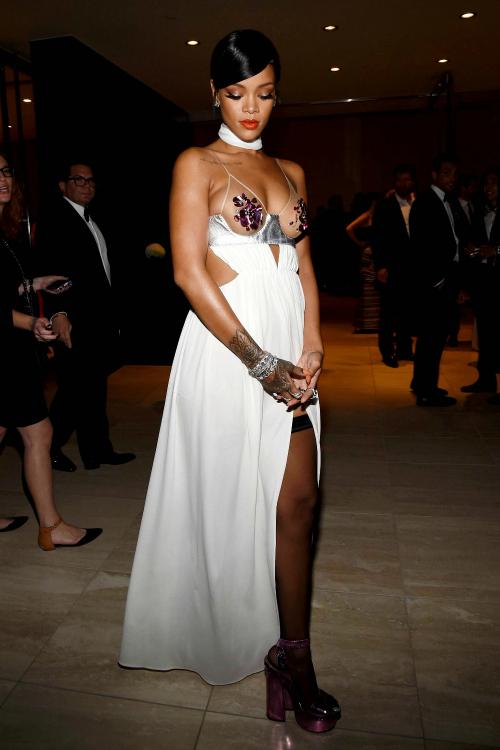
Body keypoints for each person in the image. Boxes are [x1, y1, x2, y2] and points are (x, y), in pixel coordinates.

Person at [120, 30, 341, 733]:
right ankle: (228, 629)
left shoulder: (291, 170)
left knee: (298, 505)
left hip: (291, 355)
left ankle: (294, 659)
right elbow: (189, 272)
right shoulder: (197, 164)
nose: (251, 108)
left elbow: (304, 267)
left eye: (265, 94)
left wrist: (311, 341)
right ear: (215, 93)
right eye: (238, 93)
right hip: (227, 353)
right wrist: (260, 361)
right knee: (226, 504)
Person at [0, 152, 102, 549]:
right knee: (39, 433)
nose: (3, 179)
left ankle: (49, 525)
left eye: (6, 171)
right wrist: (30, 324)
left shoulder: (6, 229)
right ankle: (51, 526)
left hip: (11, 347)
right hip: (7, 352)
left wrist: (34, 284)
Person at [35, 161, 135, 471]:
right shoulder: (56, 219)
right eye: (78, 180)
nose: (86, 185)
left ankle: (97, 450)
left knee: (93, 387)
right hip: (75, 320)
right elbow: (49, 267)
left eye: (90, 180)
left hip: (97, 319)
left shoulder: (90, 218)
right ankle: (47, 448)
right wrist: (59, 312)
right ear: (62, 186)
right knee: (75, 389)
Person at [410, 153, 469, 406]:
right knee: (431, 337)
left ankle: (422, 383)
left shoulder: (452, 201)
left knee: (436, 336)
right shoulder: (424, 202)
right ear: (434, 175)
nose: (452, 178)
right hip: (433, 282)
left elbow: (457, 237)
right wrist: (436, 281)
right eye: (446, 173)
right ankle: (426, 391)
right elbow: (420, 246)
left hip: (448, 277)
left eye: (455, 174)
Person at [461, 168, 500, 401]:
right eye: (486, 183)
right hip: (484, 280)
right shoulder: (478, 212)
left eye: (494, 182)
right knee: (485, 332)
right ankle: (486, 380)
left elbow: (495, 247)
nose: (488, 187)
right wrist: (471, 250)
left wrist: (497, 250)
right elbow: (471, 241)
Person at [372, 165, 416, 367]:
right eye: (400, 180)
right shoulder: (385, 205)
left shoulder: (419, 203)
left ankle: (405, 349)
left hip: (413, 266)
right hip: (391, 266)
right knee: (389, 312)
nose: (403, 184)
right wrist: (380, 266)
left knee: (409, 310)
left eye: (407, 180)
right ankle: (387, 351)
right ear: (394, 182)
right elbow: (378, 237)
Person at [346, 193, 381, 334]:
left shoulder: (371, 215)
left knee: (371, 287)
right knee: (369, 286)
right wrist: (359, 243)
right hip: (371, 252)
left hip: (371, 251)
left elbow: (349, 229)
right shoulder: (369, 215)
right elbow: (349, 228)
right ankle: (369, 322)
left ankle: (370, 322)